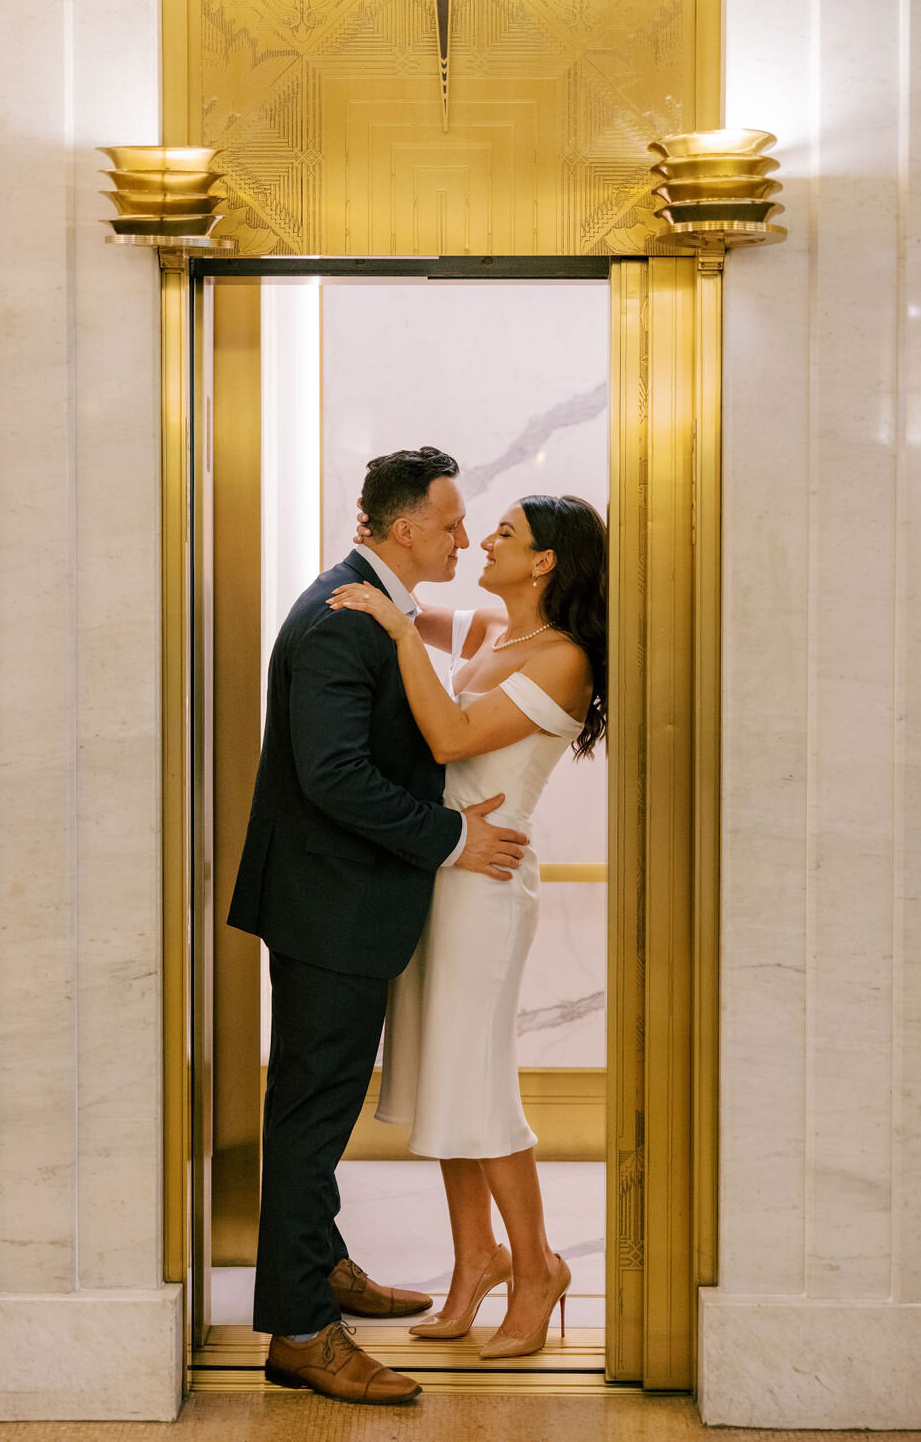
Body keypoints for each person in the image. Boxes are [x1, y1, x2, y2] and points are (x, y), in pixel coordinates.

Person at [226, 446, 530, 1406]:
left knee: (319, 1107)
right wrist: (452, 838)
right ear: (404, 529)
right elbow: (335, 777)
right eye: (450, 522)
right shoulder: (337, 621)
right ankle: (304, 1332)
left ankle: (319, 1268)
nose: (464, 535)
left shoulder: (375, 607)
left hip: (343, 902)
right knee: (313, 1114)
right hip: (330, 905)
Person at [329, 493, 607, 1359]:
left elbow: (447, 735)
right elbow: (409, 605)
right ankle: (474, 1262)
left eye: (505, 534)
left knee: (480, 1086)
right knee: (450, 1084)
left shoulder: (563, 660)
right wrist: (382, 556)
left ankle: (537, 1271)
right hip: (440, 875)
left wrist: (399, 626)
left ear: (547, 561)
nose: (483, 539)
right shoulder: (494, 629)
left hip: (488, 889)